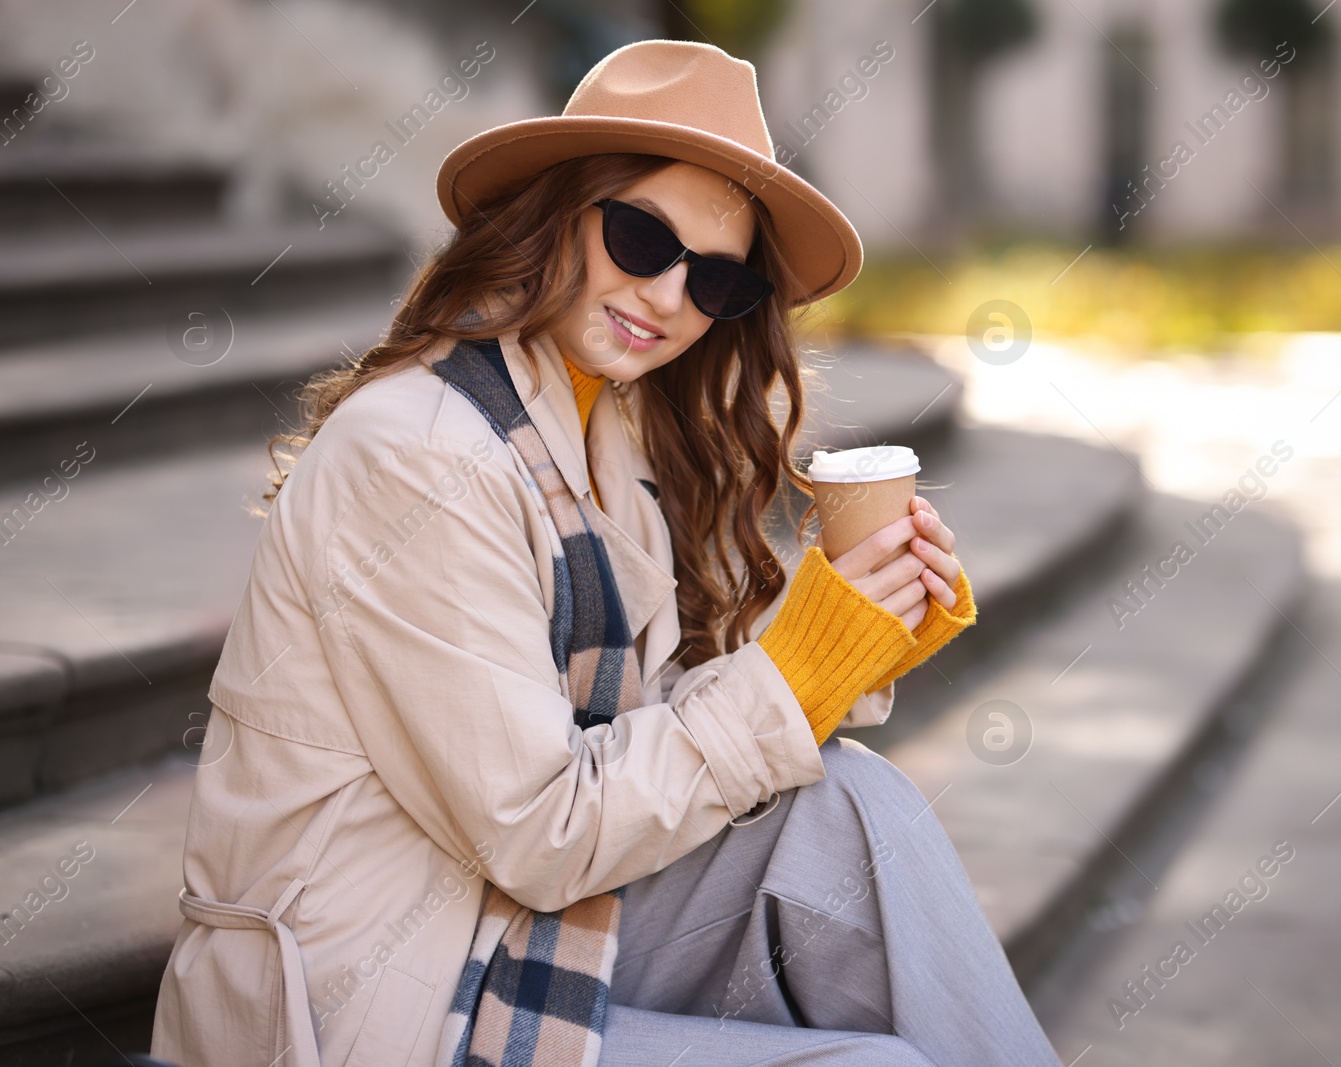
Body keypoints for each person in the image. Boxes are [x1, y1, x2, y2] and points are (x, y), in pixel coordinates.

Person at [150, 39, 1062, 1067]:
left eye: (716, 279)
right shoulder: (417, 455)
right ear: (555, 215)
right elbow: (543, 830)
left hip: (501, 919)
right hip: (365, 1000)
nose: (670, 295)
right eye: (640, 237)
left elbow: (627, 736)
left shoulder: (597, 434)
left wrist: (845, 644)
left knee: (855, 801)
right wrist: (788, 675)